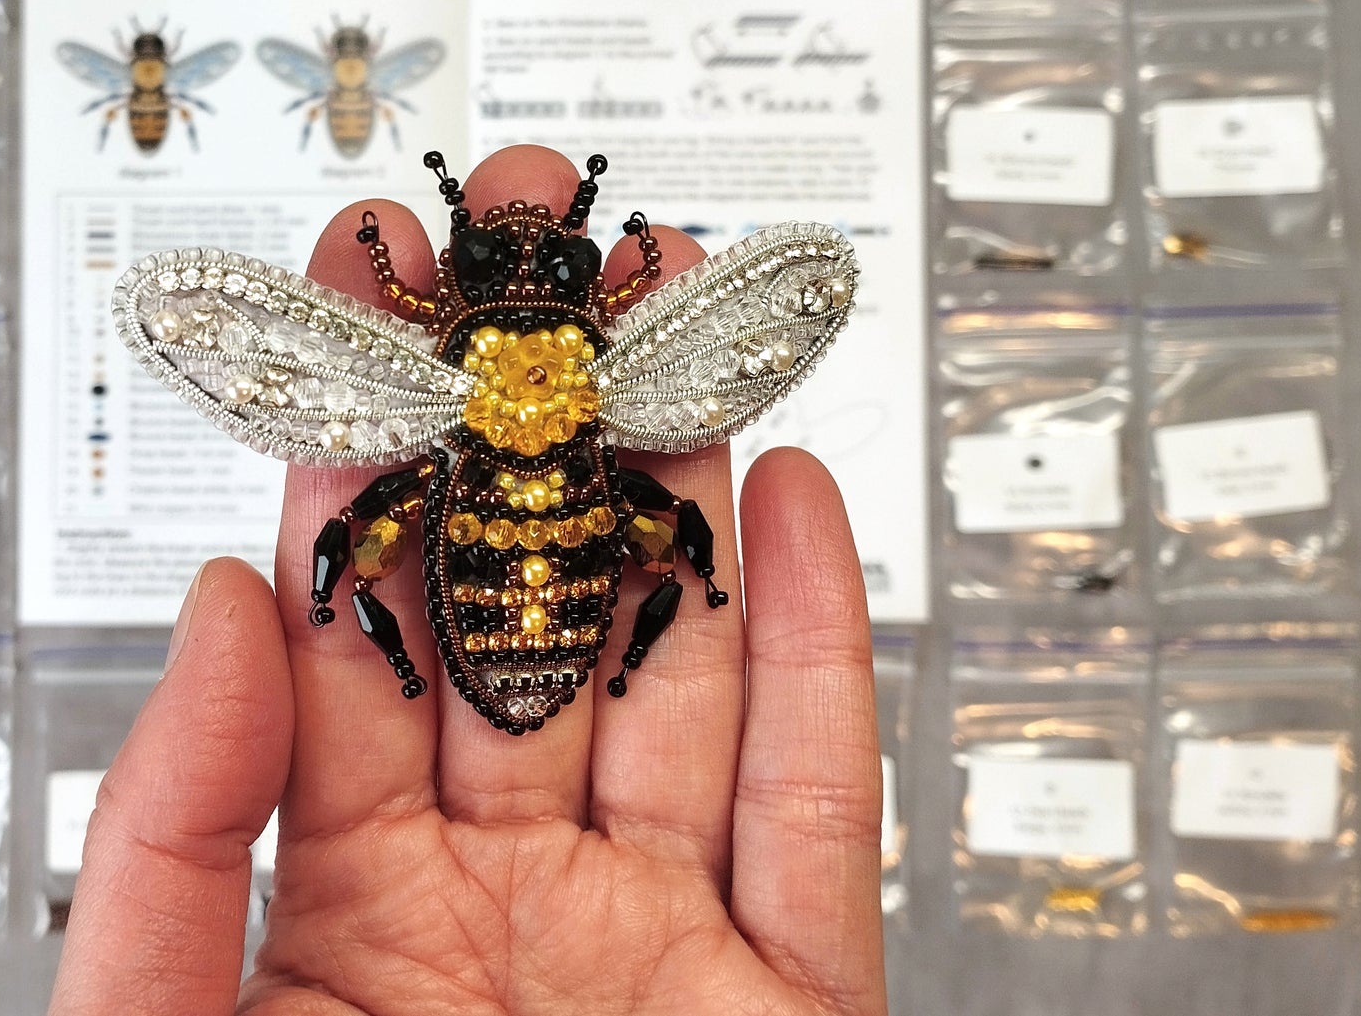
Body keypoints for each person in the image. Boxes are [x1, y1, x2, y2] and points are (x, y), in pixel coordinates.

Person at [48, 146, 887, 1016]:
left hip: (490, 555)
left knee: (371, 546)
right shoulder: (554, 356)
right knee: (667, 544)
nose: (524, 254)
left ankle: (383, 623)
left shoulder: (458, 343)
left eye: (556, 256)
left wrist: (395, 283)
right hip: (565, 526)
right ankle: (673, 600)